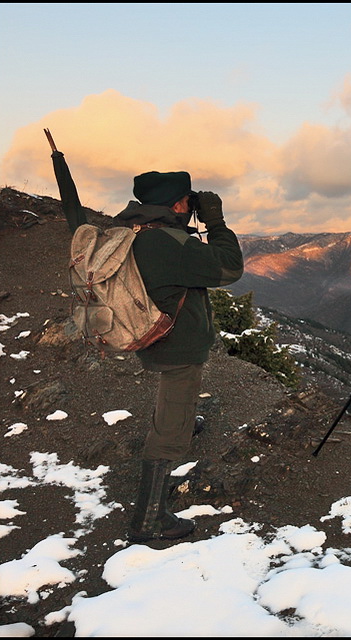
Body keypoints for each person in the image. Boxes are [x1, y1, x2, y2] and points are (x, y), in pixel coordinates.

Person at [114, 171, 244, 543]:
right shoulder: (169, 243)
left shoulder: (138, 231)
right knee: (171, 418)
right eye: (188, 201)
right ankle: (149, 519)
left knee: (177, 398)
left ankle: (183, 420)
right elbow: (229, 267)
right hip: (175, 344)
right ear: (175, 205)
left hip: (154, 334)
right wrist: (215, 220)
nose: (191, 206)